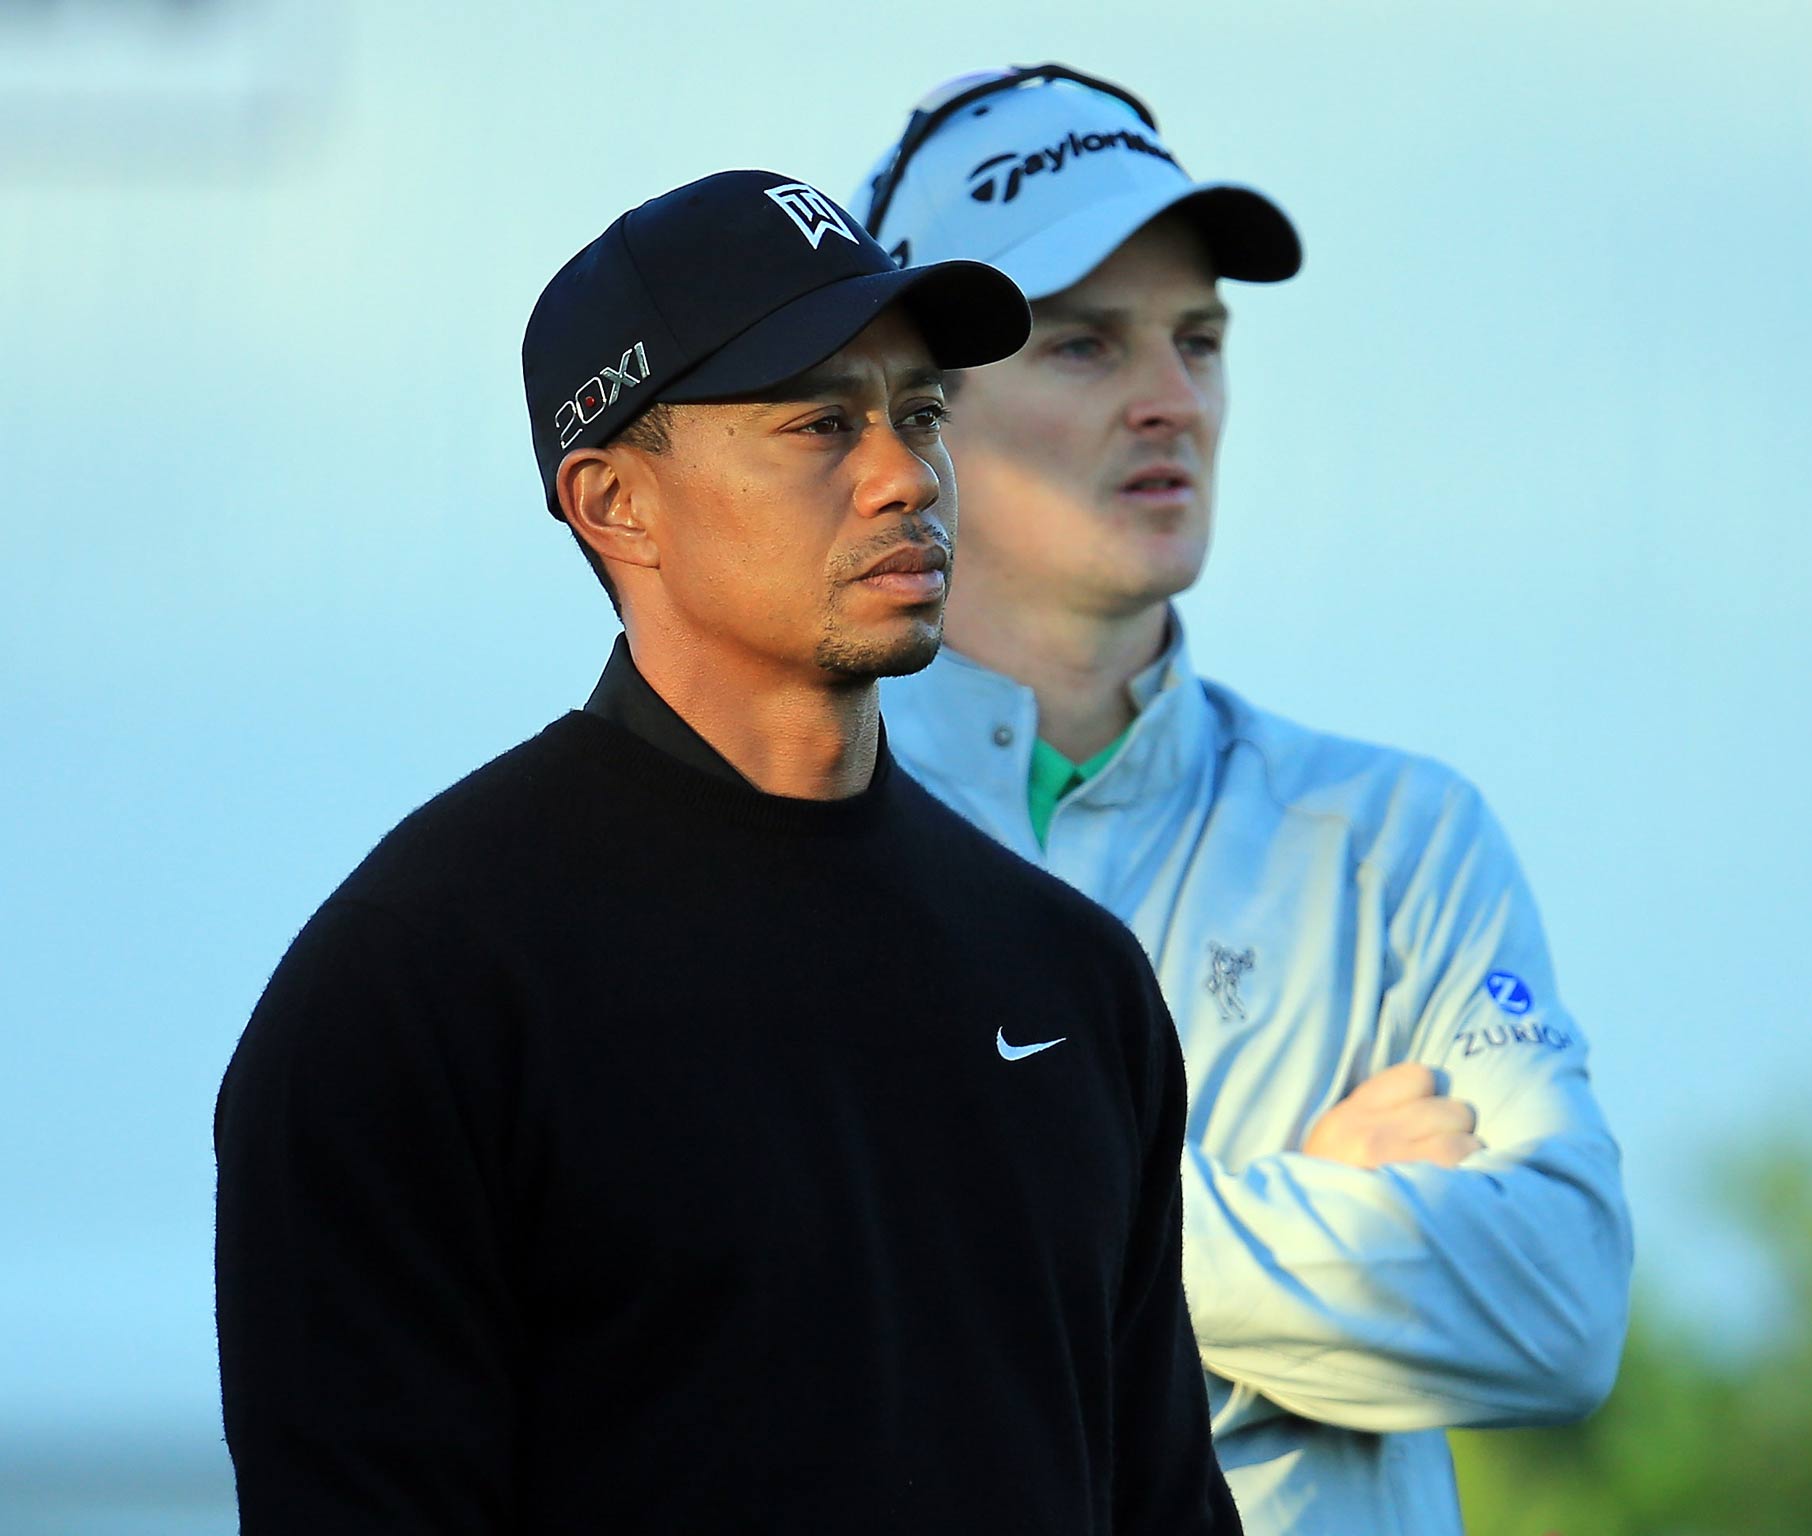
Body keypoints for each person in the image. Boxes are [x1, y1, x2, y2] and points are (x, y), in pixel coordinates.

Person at [213, 169, 1241, 1536]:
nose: (905, 475)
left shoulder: (1071, 981)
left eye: (920, 413)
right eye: (822, 422)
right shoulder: (421, 991)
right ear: (613, 501)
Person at [853, 67, 1635, 1534]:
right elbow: (777, 1345)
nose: (1173, 401)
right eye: (1087, 345)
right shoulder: (784, 847)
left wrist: (1015, 1236)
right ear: (917, 415)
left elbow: (1563, 1302)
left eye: (1199, 341)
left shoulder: (1404, 840)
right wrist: (1310, 1231)